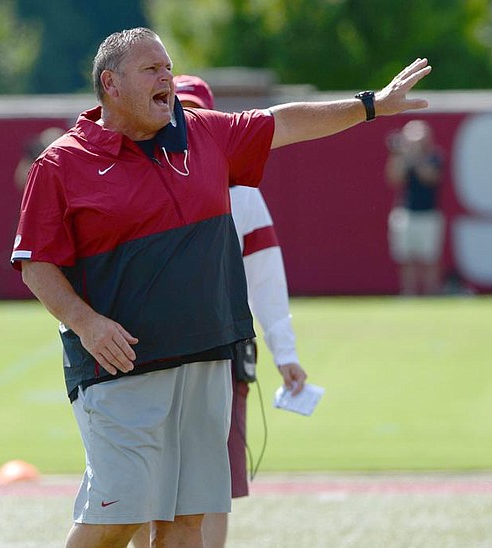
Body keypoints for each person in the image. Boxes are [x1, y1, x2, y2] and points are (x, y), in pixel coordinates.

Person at [10, 27, 431, 548]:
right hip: (119, 367)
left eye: (168, 67)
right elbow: (36, 262)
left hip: (207, 360)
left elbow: (285, 122)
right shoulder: (61, 163)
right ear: (110, 84)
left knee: (187, 524)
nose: (166, 76)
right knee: (116, 519)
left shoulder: (204, 134)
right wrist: (86, 323)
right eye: (151, 70)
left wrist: (370, 105)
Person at [173, 74, 308, 548]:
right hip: (157, 352)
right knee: (152, 485)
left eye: (195, 114)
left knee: (213, 486)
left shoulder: (244, 192)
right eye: (178, 111)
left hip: (223, 350)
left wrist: (285, 352)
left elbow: (266, 277)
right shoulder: (141, 179)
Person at [384, 119, 445, 296]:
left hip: (429, 213)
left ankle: (432, 293)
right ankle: (409, 294)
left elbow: (430, 177)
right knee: (407, 258)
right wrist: (397, 154)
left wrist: (414, 155)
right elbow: (394, 178)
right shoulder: (403, 157)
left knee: (429, 258)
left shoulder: (435, 156)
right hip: (406, 212)